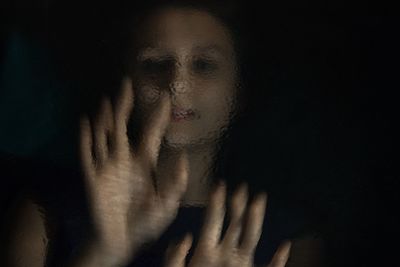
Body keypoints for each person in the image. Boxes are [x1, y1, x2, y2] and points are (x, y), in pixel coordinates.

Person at [6, 1, 324, 267]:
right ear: (125, 81)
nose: (177, 82)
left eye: (203, 65)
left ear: (239, 91)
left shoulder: (288, 240)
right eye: (155, 63)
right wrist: (102, 253)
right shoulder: (45, 214)